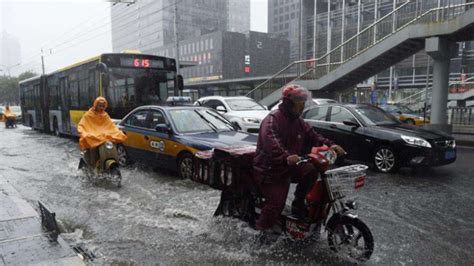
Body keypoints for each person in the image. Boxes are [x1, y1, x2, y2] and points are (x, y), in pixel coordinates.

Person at [253, 84, 346, 233]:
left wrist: (331, 145)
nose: (302, 105)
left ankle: (298, 203)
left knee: (310, 170)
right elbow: (272, 142)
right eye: (299, 101)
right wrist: (286, 157)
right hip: (270, 170)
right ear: (288, 102)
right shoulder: (272, 120)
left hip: (290, 165)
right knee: (276, 204)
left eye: (304, 101)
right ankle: (261, 232)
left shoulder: (299, 122)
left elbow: (314, 136)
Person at [77, 97, 127, 167]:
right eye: (100, 105)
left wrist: (117, 132)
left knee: (112, 145)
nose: (101, 107)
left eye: (103, 106)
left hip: (103, 138)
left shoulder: (105, 115)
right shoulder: (88, 115)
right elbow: (82, 125)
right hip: (93, 138)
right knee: (93, 150)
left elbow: (111, 126)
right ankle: (93, 166)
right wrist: (84, 133)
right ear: (95, 105)